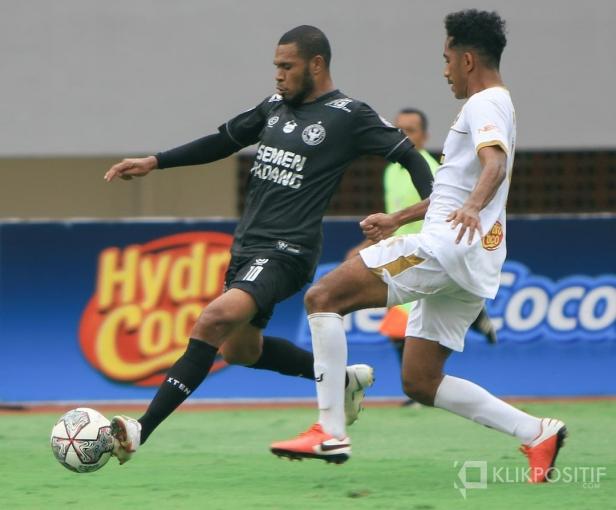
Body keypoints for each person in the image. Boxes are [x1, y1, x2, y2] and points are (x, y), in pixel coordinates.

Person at [103, 25, 434, 465]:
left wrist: (431, 209)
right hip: (247, 249)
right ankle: (344, 381)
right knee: (241, 350)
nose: (278, 76)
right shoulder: (274, 107)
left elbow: (408, 155)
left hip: (288, 250)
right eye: (275, 67)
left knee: (213, 319)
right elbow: (222, 141)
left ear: (316, 65)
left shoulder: (349, 115)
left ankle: (141, 429)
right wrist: (155, 161)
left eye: (286, 66)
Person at [271, 11, 566, 484]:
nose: (444, 68)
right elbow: (456, 187)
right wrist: (398, 218)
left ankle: (330, 430)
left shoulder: (483, 104)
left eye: (446, 58)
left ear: (467, 59)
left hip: (446, 248)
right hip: (474, 258)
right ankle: (536, 432)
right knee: (421, 380)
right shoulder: (498, 104)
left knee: (322, 298)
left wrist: (471, 206)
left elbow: (494, 166)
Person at [347, 108, 497, 407]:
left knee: (395, 324)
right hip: (405, 251)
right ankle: (474, 318)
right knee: (396, 328)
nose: (404, 135)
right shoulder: (392, 171)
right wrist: (364, 245)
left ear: (425, 136)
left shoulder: (428, 167)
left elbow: (439, 209)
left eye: (411, 130)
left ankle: (420, 386)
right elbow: (397, 220)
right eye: (399, 129)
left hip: (426, 254)